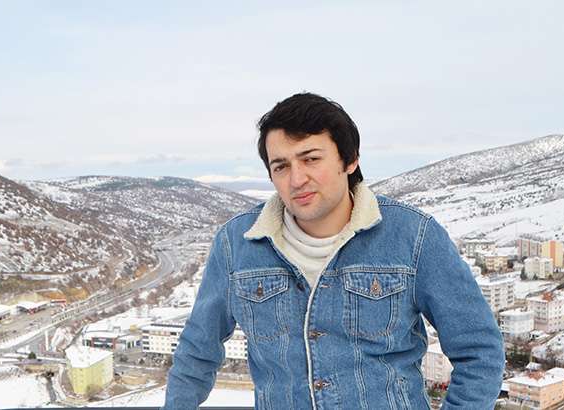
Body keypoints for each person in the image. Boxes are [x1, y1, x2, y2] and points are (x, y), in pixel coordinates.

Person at [163, 93, 504, 409]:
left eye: (311, 159)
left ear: (350, 160)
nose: (296, 179)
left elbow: (480, 352)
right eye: (281, 166)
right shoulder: (236, 244)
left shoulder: (414, 236)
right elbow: (197, 352)